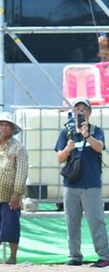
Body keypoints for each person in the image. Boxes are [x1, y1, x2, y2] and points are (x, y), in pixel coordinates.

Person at [55, 99, 109, 268]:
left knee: (96, 221)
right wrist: (67, 149)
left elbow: (100, 147)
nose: (80, 111)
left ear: (89, 112)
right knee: (72, 222)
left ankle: (104, 256)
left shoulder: (96, 131)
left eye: (83, 109)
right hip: (71, 185)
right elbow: (59, 158)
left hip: (91, 184)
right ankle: (74, 256)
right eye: (77, 108)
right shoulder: (66, 132)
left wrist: (86, 135)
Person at [0, 112, 28, 265]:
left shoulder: (18, 148)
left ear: (12, 128)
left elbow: (22, 172)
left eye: (7, 125)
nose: (3, 128)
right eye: (1, 125)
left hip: (10, 195)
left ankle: (12, 256)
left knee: (11, 225)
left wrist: (17, 194)